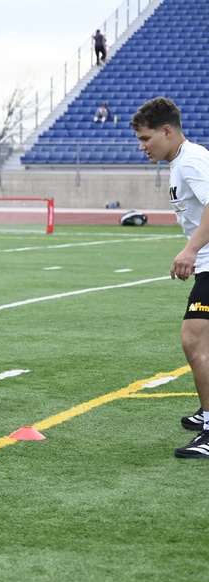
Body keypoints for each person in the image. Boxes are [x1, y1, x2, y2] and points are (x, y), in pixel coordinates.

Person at [130, 97, 209, 457]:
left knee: (193, 340)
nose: (142, 147)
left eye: (146, 139)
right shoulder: (180, 161)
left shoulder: (191, 160)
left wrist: (191, 249)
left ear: (167, 130)